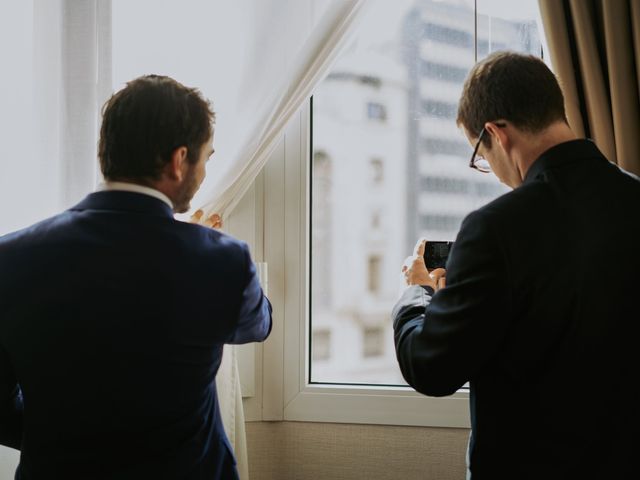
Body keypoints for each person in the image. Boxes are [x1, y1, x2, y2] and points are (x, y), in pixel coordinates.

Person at [0, 75, 272, 479]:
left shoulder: (10, 258)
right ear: (179, 161)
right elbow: (259, 323)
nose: (203, 174)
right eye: (206, 158)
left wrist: (59, 439)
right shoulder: (221, 261)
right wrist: (205, 248)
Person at [392, 51, 639, 479]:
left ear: (497, 133)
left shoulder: (495, 228)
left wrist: (418, 294)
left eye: (480, 156)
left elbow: (432, 368)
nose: (492, 171)